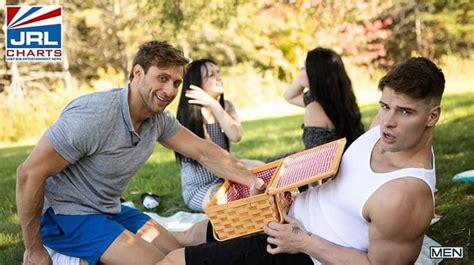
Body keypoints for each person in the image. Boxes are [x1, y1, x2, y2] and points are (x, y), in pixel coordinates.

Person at [158, 56, 445, 265]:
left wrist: (302, 242)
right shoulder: (380, 130)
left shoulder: (406, 195)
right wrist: (291, 184)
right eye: (385, 106)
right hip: (285, 216)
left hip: (301, 252)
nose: (388, 121)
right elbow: (346, 181)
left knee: (175, 260)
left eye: (405, 112)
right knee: (193, 233)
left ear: (432, 116)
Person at [16, 41, 265, 265]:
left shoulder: (157, 120)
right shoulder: (94, 115)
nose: (170, 91)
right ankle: (64, 258)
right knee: (160, 264)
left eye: (176, 83)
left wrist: (254, 181)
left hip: (107, 208)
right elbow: (28, 174)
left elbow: (204, 152)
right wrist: (34, 250)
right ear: (138, 73)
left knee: (175, 254)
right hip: (65, 214)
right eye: (162, 78)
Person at [175, 59, 263, 212]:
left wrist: (214, 104)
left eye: (218, 72)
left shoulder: (225, 106)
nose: (218, 77)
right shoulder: (192, 114)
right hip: (201, 187)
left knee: (262, 169)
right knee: (228, 202)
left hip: (224, 172)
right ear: (197, 84)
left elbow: (235, 135)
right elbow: (208, 157)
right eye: (211, 75)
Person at [283, 47, 364, 150]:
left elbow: (315, 158)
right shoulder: (340, 98)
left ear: (314, 73)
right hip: (346, 157)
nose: (300, 70)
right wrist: (302, 79)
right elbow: (289, 97)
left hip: (326, 163)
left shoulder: (314, 108)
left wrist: (304, 79)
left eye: (304, 67)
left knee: (257, 164)